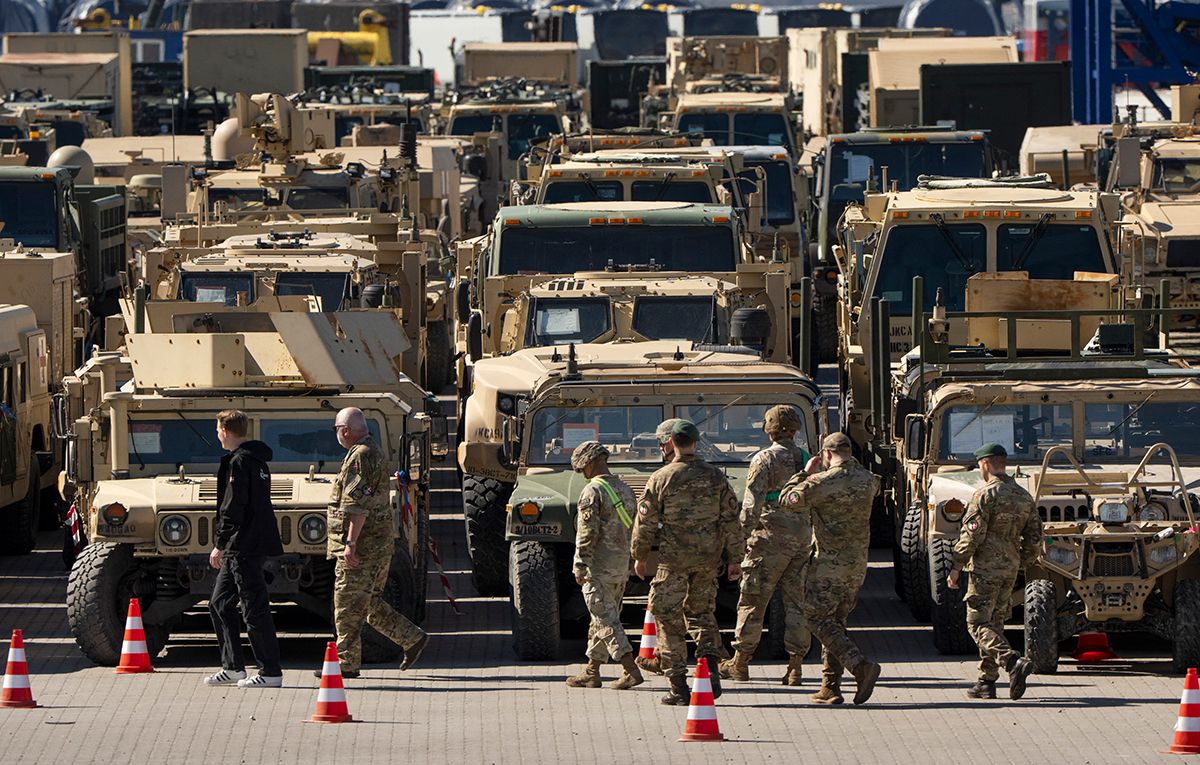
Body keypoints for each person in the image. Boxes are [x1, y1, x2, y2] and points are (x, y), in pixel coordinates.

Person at [631, 419, 742, 705]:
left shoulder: (661, 478)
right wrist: (736, 560)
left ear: (670, 443)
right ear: (696, 442)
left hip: (673, 561)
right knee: (702, 614)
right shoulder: (717, 477)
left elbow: (645, 523)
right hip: (708, 560)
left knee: (667, 617)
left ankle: (678, 685)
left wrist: (640, 557)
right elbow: (731, 520)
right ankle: (710, 673)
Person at [324, 407, 428, 678]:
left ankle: (346, 664)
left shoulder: (361, 456)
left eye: (337, 429)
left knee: (346, 602)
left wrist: (350, 543)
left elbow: (357, 506)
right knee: (368, 604)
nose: (337, 434)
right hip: (376, 545)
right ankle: (412, 637)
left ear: (345, 431)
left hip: (364, 547)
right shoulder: (369, 451)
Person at [781, 432, 881, 705]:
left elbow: (787, 500)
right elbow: (872, 484)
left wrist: (803, 473)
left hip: (828, 565)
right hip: (857, 566)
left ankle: (860, 666)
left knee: (816, 619)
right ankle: (830, 686)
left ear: (826, 455)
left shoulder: (820, 482)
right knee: (836, 623)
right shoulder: (869, 481)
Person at [721, 405, 813, 685]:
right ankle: (795, 665)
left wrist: (739, 544)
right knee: (796, 603)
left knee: (753, 600)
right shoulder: (805, 458)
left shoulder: (764, 459)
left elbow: (751, 506)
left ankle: (741, 662)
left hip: (769, 537)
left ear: (769, 429)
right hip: (801, 536)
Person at [948, 442, 1040, 700]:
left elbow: (971, 536)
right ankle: (986, 682)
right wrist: (1022, 561)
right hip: (1009, 569)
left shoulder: (985, 495)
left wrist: (956, 566)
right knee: (995, 624)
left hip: (985, 570)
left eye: (979, 465)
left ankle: (1012, 663)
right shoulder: (1023, 496)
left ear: (986, 464)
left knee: (976, 623)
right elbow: (1035, 537)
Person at [205, 409, 284, 688]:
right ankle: (233, 667)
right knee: (220, 603)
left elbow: (234, 506)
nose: (217, 435)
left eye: (218, 430)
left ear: (225, 431)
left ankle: (270, 671)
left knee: (254, 608)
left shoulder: (241, 462)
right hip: (246, 543)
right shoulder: (257, 461)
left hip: (244, 545)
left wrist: (220, 544)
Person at [565, 441, 643, 691]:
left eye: (581, 468)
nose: (582, 473)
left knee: (607, 620)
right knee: (601, 618)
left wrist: (580, 564)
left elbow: (587, 534)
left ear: (589, 463)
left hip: (598, 567)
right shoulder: (625, 489)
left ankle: (630, 669)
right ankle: (592, 671)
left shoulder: (592, 492)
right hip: (620, 566)